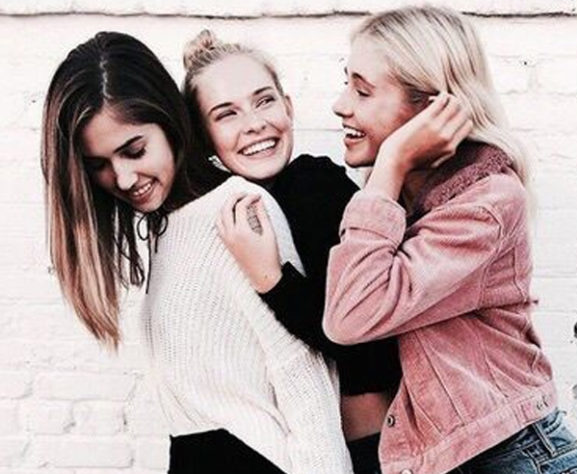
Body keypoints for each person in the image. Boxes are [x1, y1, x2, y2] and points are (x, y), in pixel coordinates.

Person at [41, 31, 352, 474]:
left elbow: (301, 370)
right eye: (99, 165)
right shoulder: (171, 225)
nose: (123, 178)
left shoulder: (235, 210)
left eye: (135, 150)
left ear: (171, 125)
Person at [323, 6, 577, 474]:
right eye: (346, 83)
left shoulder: (487, 202)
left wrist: (391, 161)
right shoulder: (400, 198)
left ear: (432, 111)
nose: (340, 104)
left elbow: (351, 315)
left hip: (514, 457)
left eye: (363, 91)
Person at [180, 30, 466, 473]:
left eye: (264, 101)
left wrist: (274, 282)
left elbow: (366, 344)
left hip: (377, 451)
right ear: (203, 138)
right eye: (227, 114)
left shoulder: (315, 187)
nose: (254, 123)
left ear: (288, 107)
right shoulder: (215, 219)